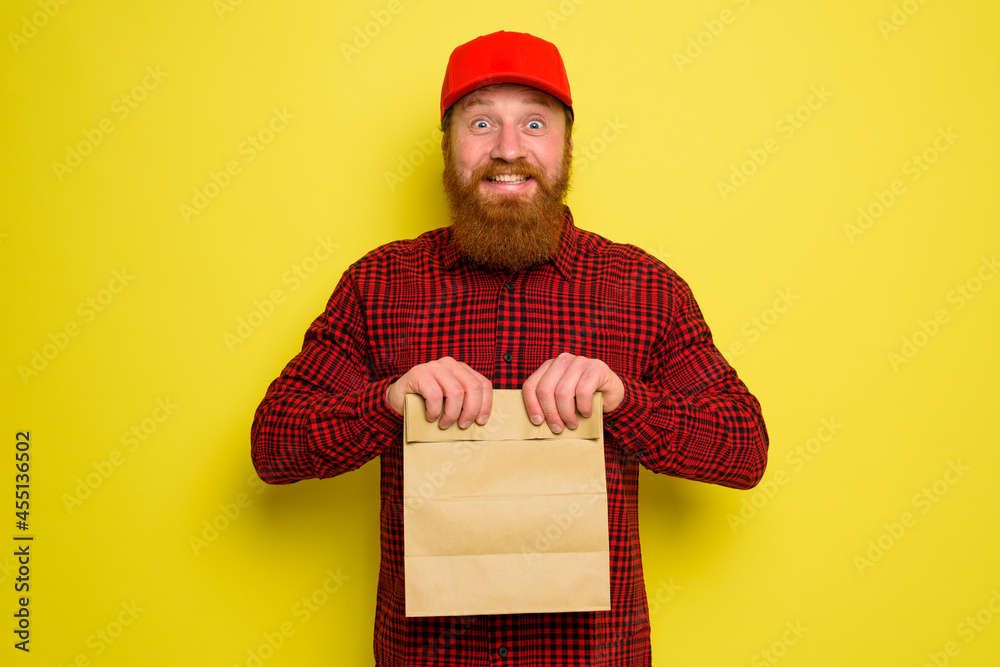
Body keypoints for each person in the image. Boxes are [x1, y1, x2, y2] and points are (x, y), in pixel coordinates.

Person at [252, 30, 768, 666]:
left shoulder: (643, 287)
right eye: (480, 123)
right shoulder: (378, 283)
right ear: (448, 146)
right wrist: (385, 403)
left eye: (532, 123)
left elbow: (744, 450)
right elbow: (273, 445)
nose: (507, 149)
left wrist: (625, 401)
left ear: (565, 146)